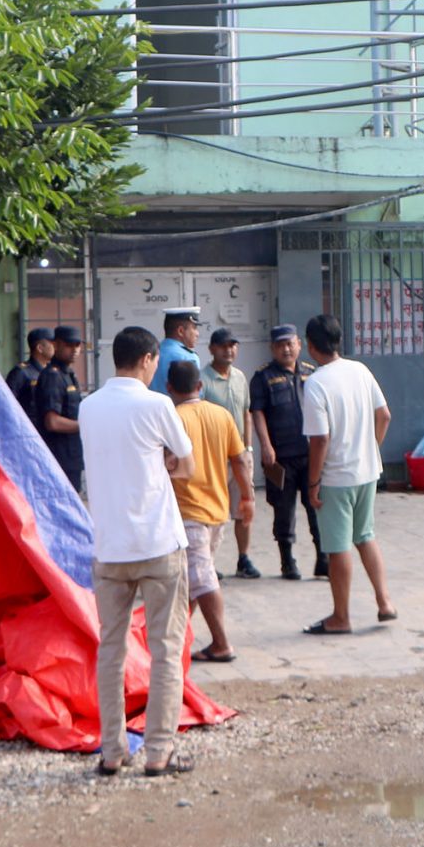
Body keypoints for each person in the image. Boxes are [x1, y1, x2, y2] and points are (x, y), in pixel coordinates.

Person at [80, 325, 197, 777]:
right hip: (158, 543)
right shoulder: (157, 404)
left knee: (110, 647)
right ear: (149, 360)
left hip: (109, 546)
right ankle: (158, 753)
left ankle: (112, 751)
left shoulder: (89, 407)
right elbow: (185, 464)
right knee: (166, 649)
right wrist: (162, 464)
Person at [300, 314, 396, 635]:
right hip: (367, 471)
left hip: (336, 478)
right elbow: (384, 415)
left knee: (338, 546)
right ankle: (385, 603)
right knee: (365, 536)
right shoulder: (361, 370)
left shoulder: (315, 384)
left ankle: (341, 617)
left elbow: (320, 440)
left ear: (311, 346)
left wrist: (313, 483)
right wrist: (371, 448)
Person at [166, 359, 252, 663]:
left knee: (201, 580)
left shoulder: (173, 418)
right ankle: (174, 641)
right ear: (200, 386)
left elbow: (165, 464)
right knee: (193, 581)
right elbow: (240, 460)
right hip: (217, 511)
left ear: (169, 388)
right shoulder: (222, 415)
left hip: (189, 512)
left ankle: (221, 644)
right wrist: (248, 498)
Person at [250, 323, 325, 580]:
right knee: (284, 510)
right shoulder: (263, 377)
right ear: (272, 348)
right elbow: (257, 412)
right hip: (280, 457)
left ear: (299, 345)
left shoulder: (311, 374)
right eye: (280, 344)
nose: (286, 349)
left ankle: (322, 558)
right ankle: (287, 560)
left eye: (290, 343)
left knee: (316, 505)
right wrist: (266, 445)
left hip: (310, 454)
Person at [200, 327, 261, 579]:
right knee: (211, 510)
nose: (229, 350)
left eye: (233, 345)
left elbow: (246, 413)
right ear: (212, 349)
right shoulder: (202, 379)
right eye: (224, 346)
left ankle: (243, 558)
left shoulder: (239, 377)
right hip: (214, 457)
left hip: (239, 454)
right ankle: (207, 561)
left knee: (244, 506)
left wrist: (248, 447)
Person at [33, 325, 87, 493]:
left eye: (78, 345)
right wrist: (86, 424)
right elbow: (52, 422)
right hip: (59, 456)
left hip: (71, 455)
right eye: (69, 345)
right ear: (56, 345)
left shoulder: (68, 374)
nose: (75, 350)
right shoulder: (53, 376)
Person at [6, 327, 54, 421]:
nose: (56, 348)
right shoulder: (21, 372)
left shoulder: (52, 372)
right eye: (52, 344)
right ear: (40, 348)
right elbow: (7, 403)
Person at [150, 308, 201, 393]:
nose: (197, 334)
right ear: (180, 331)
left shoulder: (152, 353)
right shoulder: (188, 358)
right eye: (194, 328)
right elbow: (195, 396)